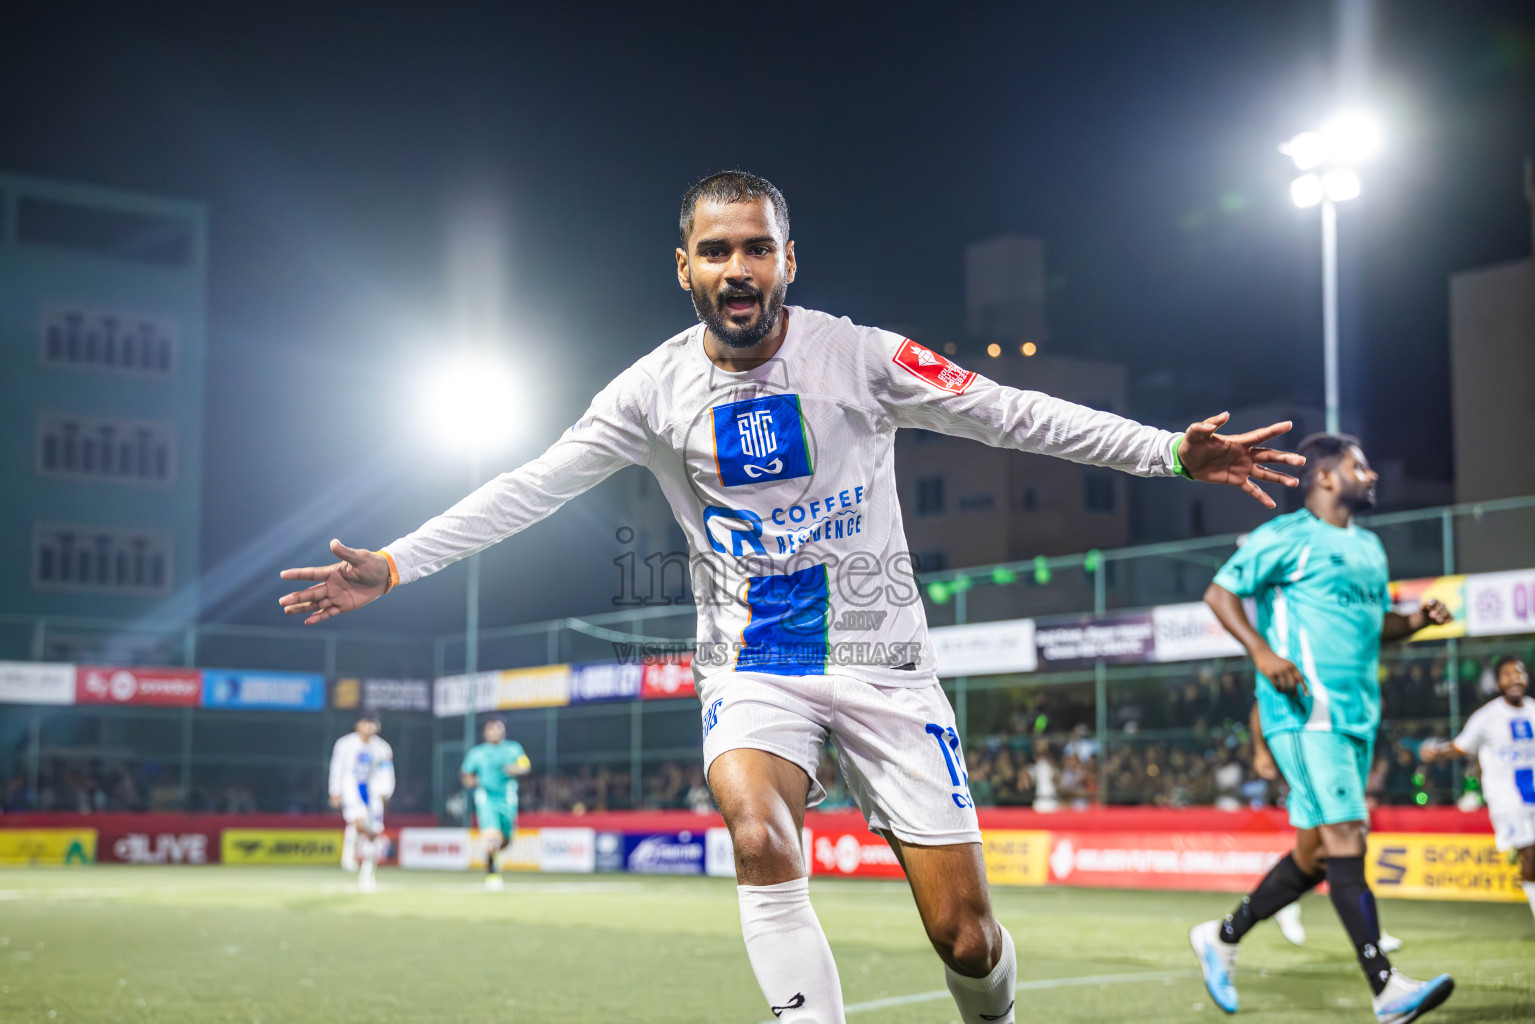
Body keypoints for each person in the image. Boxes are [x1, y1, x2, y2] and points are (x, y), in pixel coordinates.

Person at [279, 170, 1302, 1024]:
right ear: (683, 267)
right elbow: (531, 485)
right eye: (716, 251)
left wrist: (1168, 453)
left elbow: (1007, 414)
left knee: (965, 938)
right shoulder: (649, 392)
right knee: (758, 832)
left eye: (756, 249)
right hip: (753, 666)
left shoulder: (857, 356)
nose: (737, 268)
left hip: (885, 665)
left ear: (787, 261)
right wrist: (396, 562)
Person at [1190, 433, 1455, 1023]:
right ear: (1326, 477)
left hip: (1357, 716)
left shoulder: (1370, 548)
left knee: (1313, 856)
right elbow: (1219, 593)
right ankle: (1385, 988)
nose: (1372, 475)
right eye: (1361, 466)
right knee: (1346, 837)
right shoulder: (1287, 536)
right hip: (1305, 714)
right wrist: (1262, 653)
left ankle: (1222, 937)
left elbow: (1376, 624)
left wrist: (1416, 620)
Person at [1246, 704, 1404, 952]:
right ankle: (1373, 949)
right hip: (1315, 759)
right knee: (1337, 854)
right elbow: (1262, 700)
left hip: (1332, 758)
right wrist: (1261, 750)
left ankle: (1268, 909)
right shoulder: (1304, 695)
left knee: (1325, 858)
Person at [1421, 655, 1535, 925]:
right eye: (1507, 674)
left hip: (1532, 794)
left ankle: (1515, 852)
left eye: (1519, 673)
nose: (1515, 678)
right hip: (1507, 799)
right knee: (1531, 855)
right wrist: (1435, 753)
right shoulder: (1487, 716)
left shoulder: (1533, 709)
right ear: (1497, 682)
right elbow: (1461, 747)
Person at [328, 711, 394, 893]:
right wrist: (335, 790)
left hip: (373, 793)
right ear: (358, 725)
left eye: (373, 723)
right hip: (351, 789)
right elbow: (337, 767)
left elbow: (387, 772)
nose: (369, 727)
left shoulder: (382, 748)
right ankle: (349, 853)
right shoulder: (345, 744)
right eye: (366, 723)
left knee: (373, 833)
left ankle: (368, 874)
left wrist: (386, 791)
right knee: (358, 821)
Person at [460, 718, 530, 890]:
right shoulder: (477, 753)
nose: (495, 732)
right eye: (492, 729)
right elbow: (466, 773)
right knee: (492, 836)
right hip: (486, 796)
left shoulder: (514, 748)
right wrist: (471, 782)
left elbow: (525, 766)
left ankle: (496, 853)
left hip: (507, 797)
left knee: (507, 838)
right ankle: (492, 873)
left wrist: (517, 769)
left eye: (498, 729)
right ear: (485, 732)